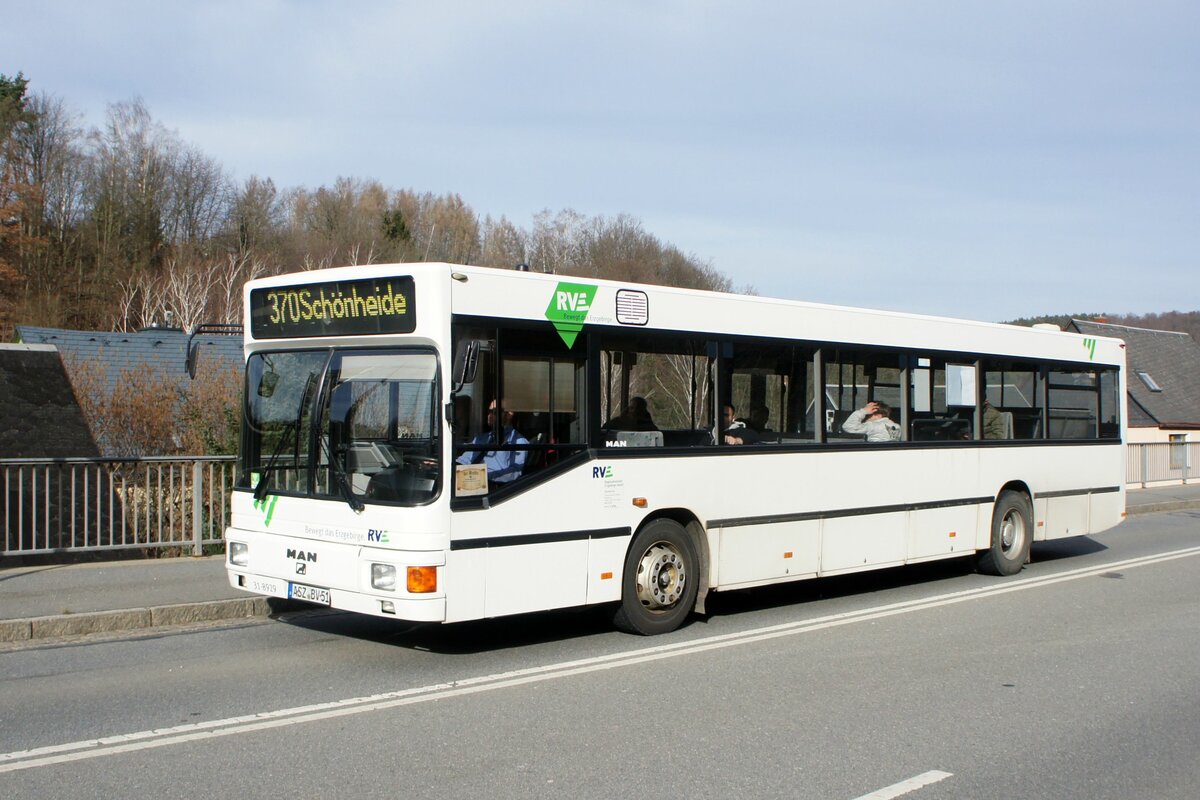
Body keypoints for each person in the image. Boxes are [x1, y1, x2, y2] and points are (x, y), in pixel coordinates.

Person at [456, 400, 528, 483]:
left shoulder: (518, 441)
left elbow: (514, 473)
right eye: (489, 412)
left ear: (509, 414)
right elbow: (464, 460)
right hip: (469, 480)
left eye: (494, 412)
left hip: (495, 486)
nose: (489, 415)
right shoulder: (481, 438)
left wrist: (484, 477)